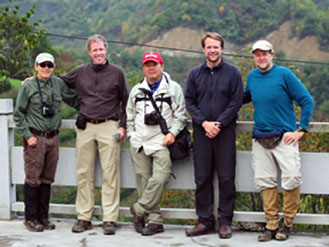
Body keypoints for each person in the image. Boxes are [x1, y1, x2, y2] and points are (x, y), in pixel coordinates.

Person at [58, 35, 129, 235]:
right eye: (94, 50)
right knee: (83, 173)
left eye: (101, 49)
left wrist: (122, 126)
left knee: (110, 173)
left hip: (110, 126)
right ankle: (84, 217)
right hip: (85, 127)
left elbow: (126, 101)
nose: (98, 53)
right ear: (89, 52)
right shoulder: (80, 72)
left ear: (106, 50)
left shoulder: (117, 73)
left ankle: (109, 219)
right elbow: (59, 82)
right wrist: (37, 79)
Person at [243, 40, 314, 242]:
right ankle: (271, 224)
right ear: (254, 57)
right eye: (257, 54)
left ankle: (287, 223)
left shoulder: (284, 75)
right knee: (265, 181)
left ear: (272, 55)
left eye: (265, 54)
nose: (261, 57)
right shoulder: (252, 76)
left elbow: (307, 100)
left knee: (292, 178)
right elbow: (245, 97)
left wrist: (301, 129)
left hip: (285, 137)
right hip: (260, 137)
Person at [184, 32, 243, 238]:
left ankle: (225, 222)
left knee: (227, 178)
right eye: (209, 47)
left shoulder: (233, 73)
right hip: (201, 133)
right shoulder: (194, 74)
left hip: (225, 133)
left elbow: (236, 102)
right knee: (202, 178)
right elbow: (189, 101)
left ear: (222, 49)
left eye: (216, 47)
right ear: (204, 50)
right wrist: (204, 123)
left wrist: (219, 124)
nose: (213, 50)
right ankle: (205, 221)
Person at [14, 53, 80, 232]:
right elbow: (18, 115)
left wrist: (95, 108)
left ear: (53, 67)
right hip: (36, 138)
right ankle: (31, 218)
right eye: (42, 65)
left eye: (49, 65)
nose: (46, 68)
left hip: (53, 138)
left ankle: (43, 217)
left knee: (47, 178)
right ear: (36, 67)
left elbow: (74, 99)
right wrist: (28, 136)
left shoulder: (57, 84)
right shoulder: (28, 87)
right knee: (33, 178)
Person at [126, 51, 187, 236]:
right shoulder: (136, 90)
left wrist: (172, 133)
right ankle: (155, 221)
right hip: (139, 142)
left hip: (161, 141)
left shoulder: (173, 88)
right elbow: (129, 116)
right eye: (147, 65)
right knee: (143, 181)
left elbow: (181, 116)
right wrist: (131, 135)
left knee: (161, 176)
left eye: (155, 64)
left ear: (162, 66)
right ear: (143, 68)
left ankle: (139, 209)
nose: (151, 68)